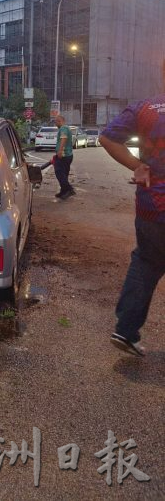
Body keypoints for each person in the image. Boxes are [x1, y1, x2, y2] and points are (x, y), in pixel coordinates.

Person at [100, 92, 165, 357]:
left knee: (146, 263)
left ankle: (126, 330)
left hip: (151, 206)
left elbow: (107, 137)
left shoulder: (145, 107)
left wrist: (139, 167)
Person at [53, 115, 75, 199]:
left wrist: (60, 151)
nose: (55, 123)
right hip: (67, 155)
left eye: (56, 121)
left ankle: (69, 190)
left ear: (60, 121)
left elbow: (63, 139)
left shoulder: (63, 128)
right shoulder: (66, 128)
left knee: (59, 172)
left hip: (64, 155)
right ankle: (63, 191)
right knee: (64, 174)